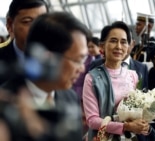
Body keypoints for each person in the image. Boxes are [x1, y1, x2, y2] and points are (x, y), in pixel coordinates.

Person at [1, 11, 91, 141]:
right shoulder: (6, 103)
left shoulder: (70, 98)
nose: (82, 68)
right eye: (77, 60)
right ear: (48, 58)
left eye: (84, 60)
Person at [82, 21, 155, 141]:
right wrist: (126, 126)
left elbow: (138, 110)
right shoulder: (92, 77)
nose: (118, 46)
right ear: (102, 46)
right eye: (113, 41)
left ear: (129, 46)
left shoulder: (133, 76)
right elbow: (92, 120)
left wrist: (142, 124)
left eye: (123, 42)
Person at [0, 0, 49, 85]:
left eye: (42, 22)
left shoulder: (59, 60)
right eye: (27, 22)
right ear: (9, 25)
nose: (38, 29)